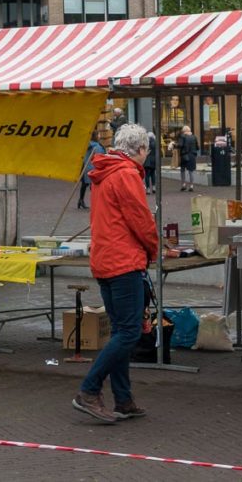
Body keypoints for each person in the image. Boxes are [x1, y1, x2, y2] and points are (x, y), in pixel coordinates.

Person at [72, 123, 159, 423]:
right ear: (140, 150)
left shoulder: (104, 172)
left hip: (105, 259)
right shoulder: (126, 175)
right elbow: (141, 220)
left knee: (122, 330)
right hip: (124, 261)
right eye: (146, 149)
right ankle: (89, 388)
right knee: (129, 332)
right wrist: (154, 249)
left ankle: (123, 398)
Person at [78, 132, 105, 209]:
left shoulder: (92, 144)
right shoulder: (94, 145)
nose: (100, 135)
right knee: (92, 185)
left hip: (88, 167)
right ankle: (94, 202)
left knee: (85, 184)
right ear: (95, 136)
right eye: (98, 134)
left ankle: (81, 200)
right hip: (92, 167)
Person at [177, 125, 199, 191]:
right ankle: (191, 186)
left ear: (183, 131)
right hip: (192, 155)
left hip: (184, 155)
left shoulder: (182, 136)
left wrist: (174, 145)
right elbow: (198, 147)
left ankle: (184, 184)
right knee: (191, 171)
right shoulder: (194, 137)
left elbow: (180, 145)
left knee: (183, 170)